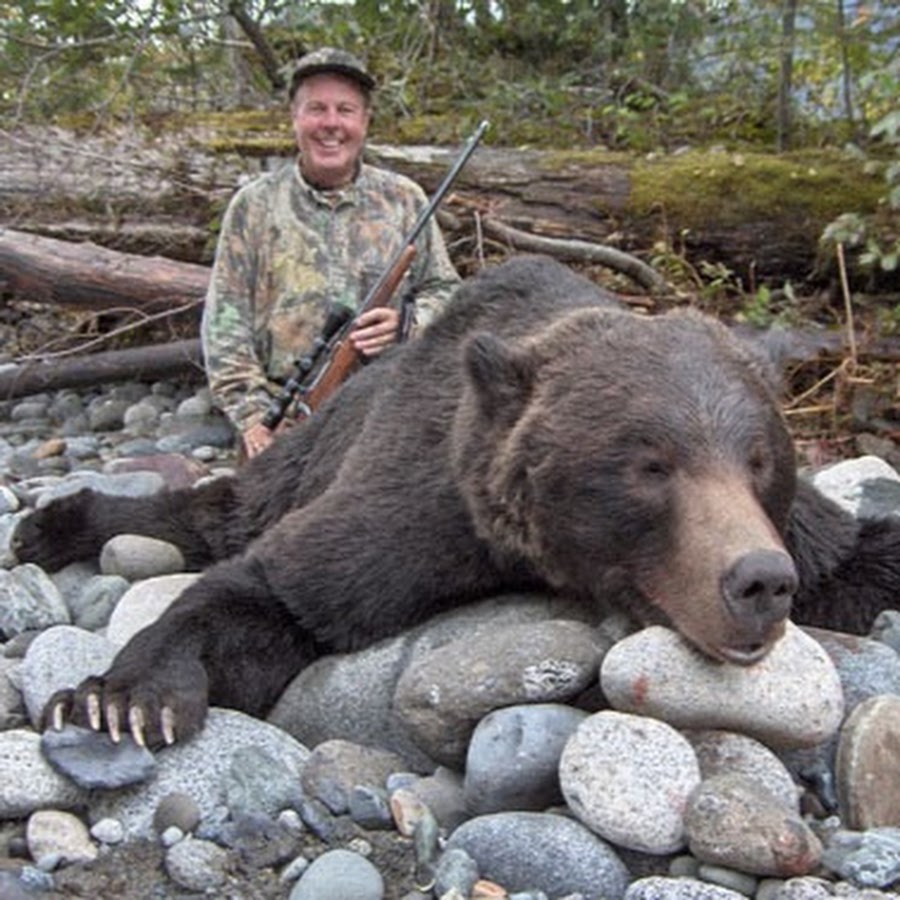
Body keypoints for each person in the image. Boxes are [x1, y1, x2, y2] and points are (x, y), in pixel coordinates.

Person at [201, 47, 461, 459]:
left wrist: (408, 324)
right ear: (295, 117)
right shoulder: (253, 206)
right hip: (280, 419)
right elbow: (224, 327)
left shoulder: (405, 200)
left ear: (365, 121)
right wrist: (254, 419)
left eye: (345, 110)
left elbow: (447, 292)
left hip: (385, 416)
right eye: (316, 109)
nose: (331, 124)